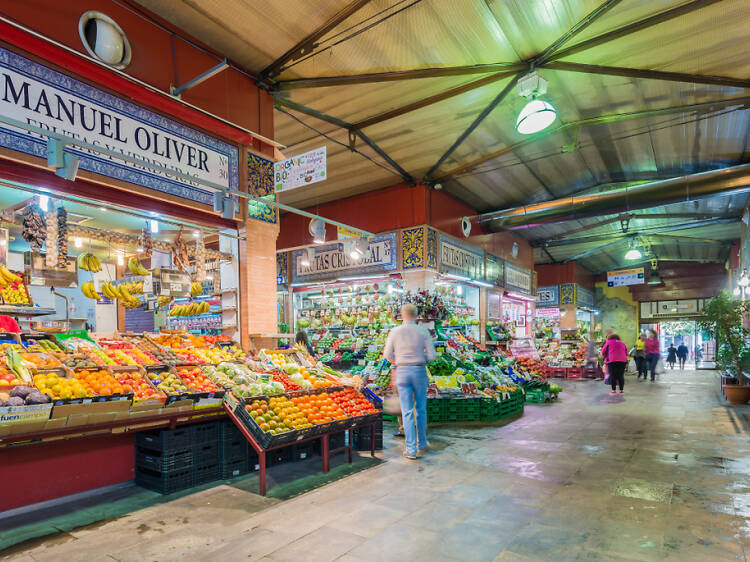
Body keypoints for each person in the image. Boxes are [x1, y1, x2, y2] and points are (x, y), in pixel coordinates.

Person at [383, 303, 436, 460]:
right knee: (421, 409)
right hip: (419, 370)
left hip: (402, 371)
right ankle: (422, 443)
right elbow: (432, 355)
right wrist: (421, 359)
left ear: (402, 315)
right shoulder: (422, 331)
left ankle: (411, 450)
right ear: (416, 314)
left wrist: (398, 360)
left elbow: (387, 355)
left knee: (406, 411)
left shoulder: (395, 331)